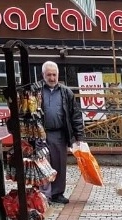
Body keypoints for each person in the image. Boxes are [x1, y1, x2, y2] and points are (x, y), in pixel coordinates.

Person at [33, 61, 84, 205]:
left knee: (59, 164)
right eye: (49, 75)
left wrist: (78, 136)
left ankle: (57, 193)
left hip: (59, 133)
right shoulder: (36, 91)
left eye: (54, 74)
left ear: (58, 75)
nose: (52, 78)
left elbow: (76, 114)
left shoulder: (66, 92)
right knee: (42, 164)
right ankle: (44, 195)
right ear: (43, 75)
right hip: (41, 133)